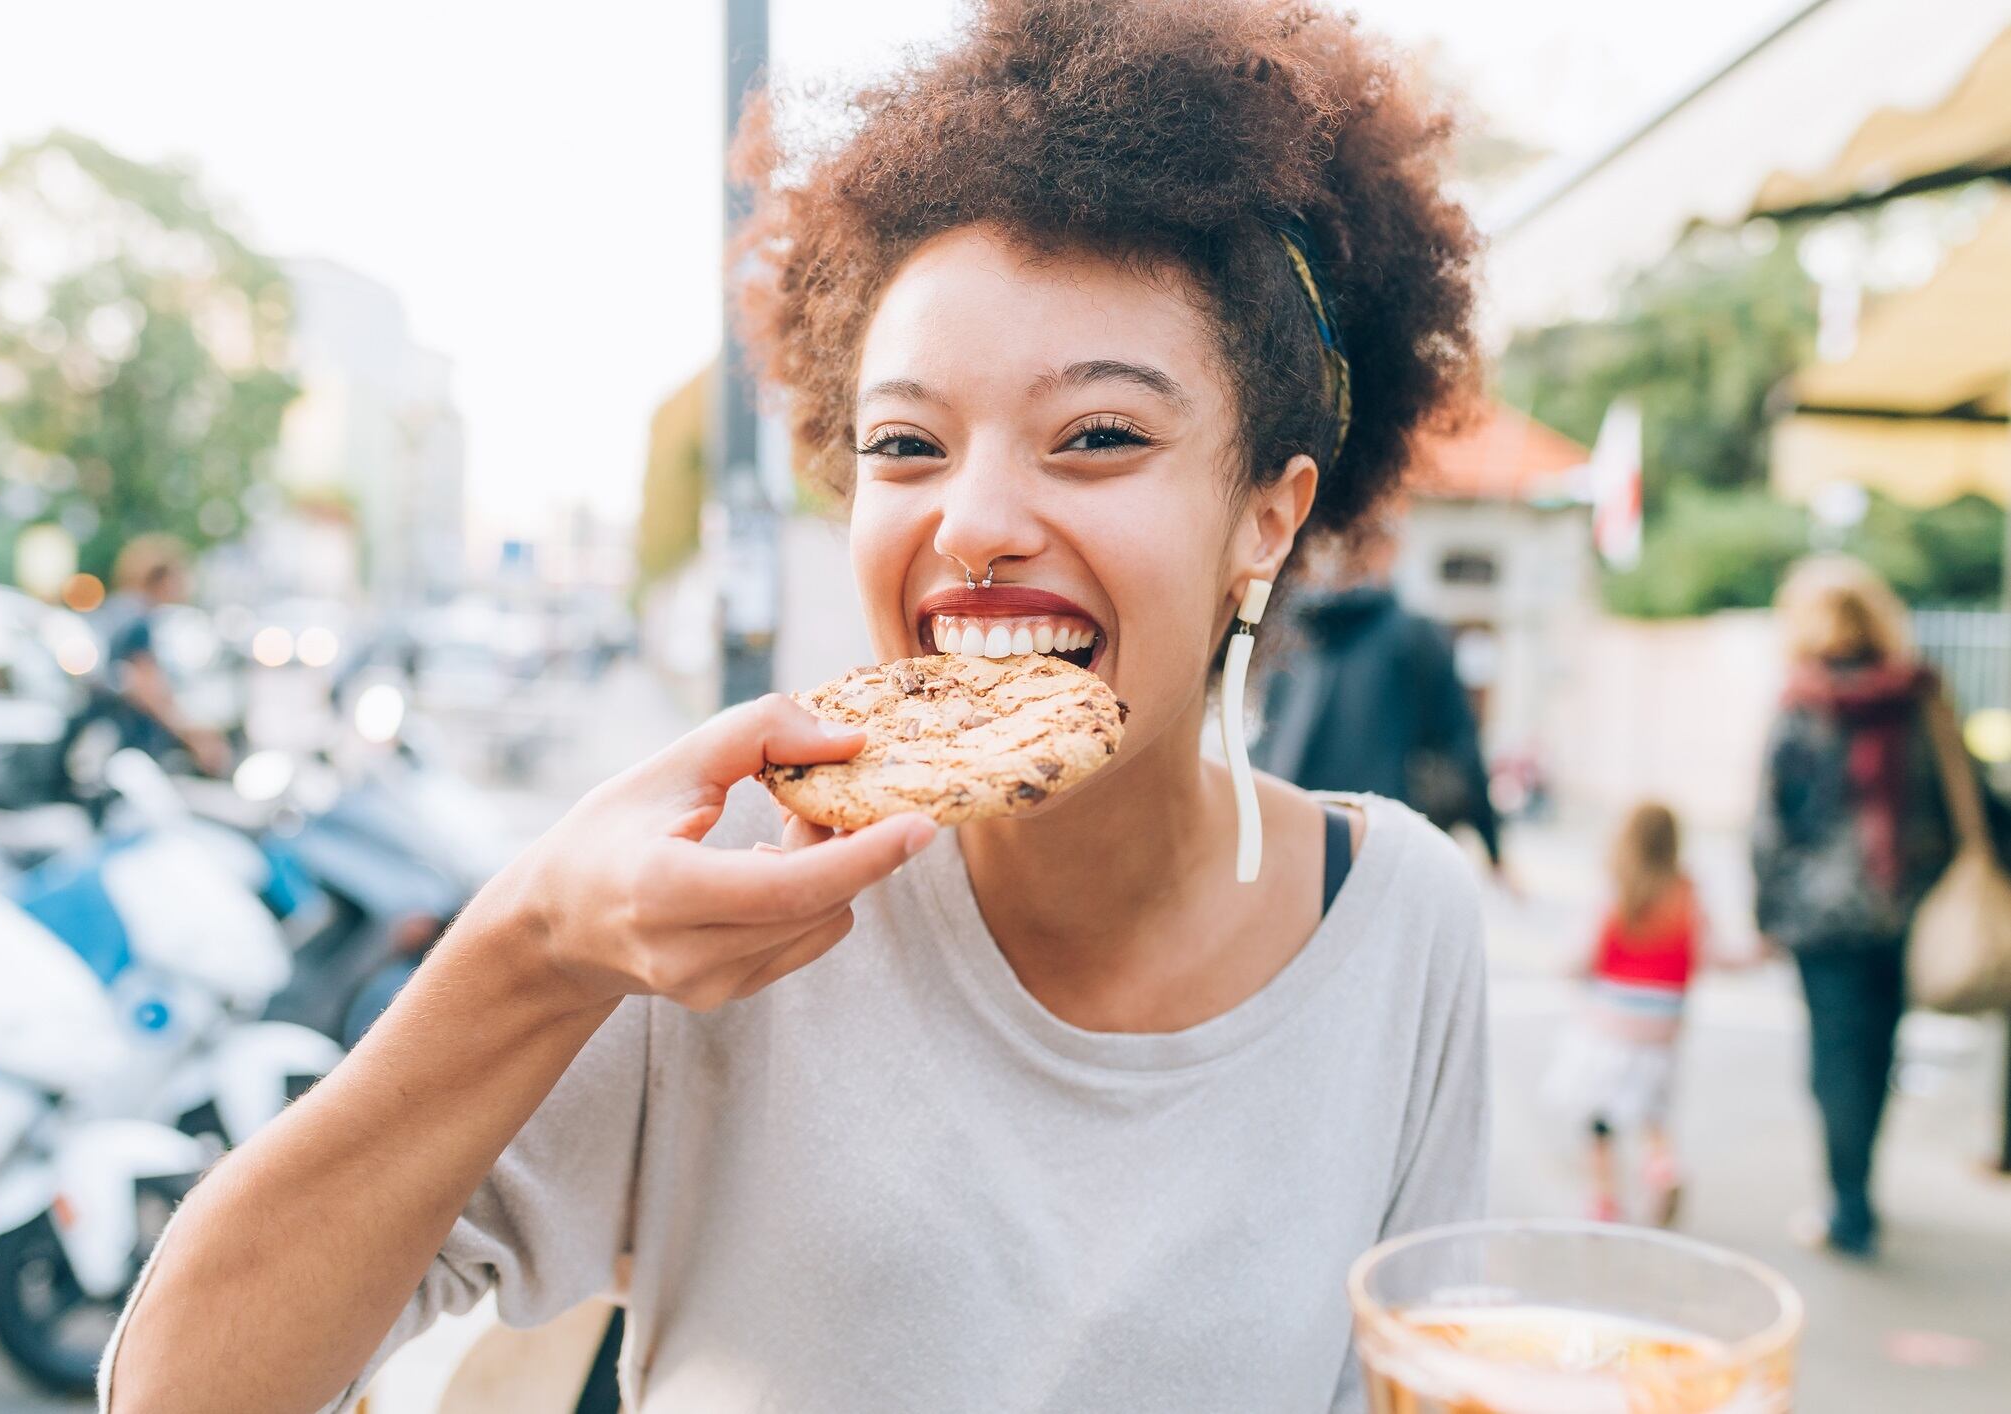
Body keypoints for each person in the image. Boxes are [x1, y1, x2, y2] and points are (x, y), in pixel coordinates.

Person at [102, 3, 1488, 1410]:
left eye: (1099, 435)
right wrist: (536, 948)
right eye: (907, 443)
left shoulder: (1399, 926)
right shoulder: (711, 913)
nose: (976, 523)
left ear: (1268, 512)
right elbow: (176, 1390)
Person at [1752, 555, 1955, 1258]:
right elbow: (1955, 801)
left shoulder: (1800, 705)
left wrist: (1764, 913)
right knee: (1875, 1053)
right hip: (1901, 908)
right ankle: (1857, 1187)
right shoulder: (1919, 697)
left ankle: (1849, 1206)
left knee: (1833, 1059)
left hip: (1821, 917)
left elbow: (1771, 822)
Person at [1255, 515, 1506, 875]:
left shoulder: (1289, 632)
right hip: (1377, 840)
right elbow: (1460, 743)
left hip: (1288, 829)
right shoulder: (1415, 635)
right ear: (1384, 550)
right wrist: (1493, 845)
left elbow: (1264, 737)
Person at [1545, 802, 1708, 1226]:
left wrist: (1566, 970)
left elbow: (1579, 958)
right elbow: (1711, 951)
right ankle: (1663, 1167)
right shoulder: (1687, 892)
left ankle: (1604, 1202)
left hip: (1610, 1027)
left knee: (1600, 1118)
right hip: (1662, 1030)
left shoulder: (1615, 892)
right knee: (1652, 1110)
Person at [96, 533, 231, 777]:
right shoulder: (138, 622)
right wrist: (193, 735)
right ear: (163, 580)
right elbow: (148, 690)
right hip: (131, 739)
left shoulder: (121, 611)